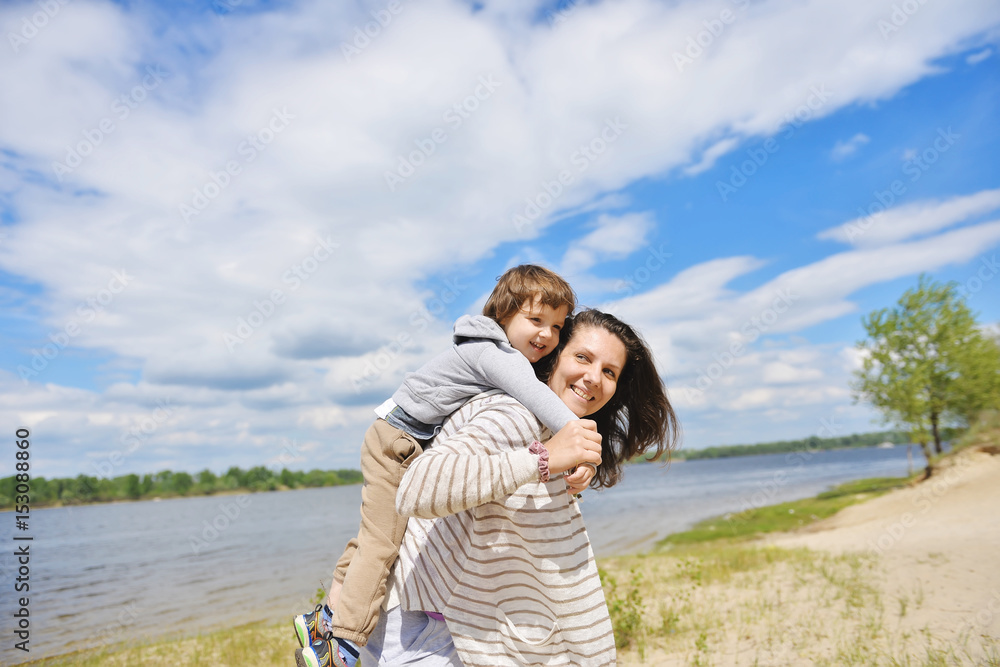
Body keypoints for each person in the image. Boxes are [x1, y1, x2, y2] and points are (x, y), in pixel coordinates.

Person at [294, 265, 603, 667]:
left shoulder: (484, 349)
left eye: (558, 327)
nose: (546, 335)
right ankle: (343, 645)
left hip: (398, 438)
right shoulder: (497, 356)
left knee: (378, 532)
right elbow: (537, 397)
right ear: (503, 315)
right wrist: (578, 443)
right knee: (382, 542)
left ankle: (323, 618)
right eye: (535, 320)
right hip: (396, 443)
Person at [363, 309, 679, 666]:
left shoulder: (550, 430)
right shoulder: (514, 414)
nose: (593, 378)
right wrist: (542, 459)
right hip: (424, 629)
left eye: (609, 372)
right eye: (582, 357)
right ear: (551, 357)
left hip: (449, 623)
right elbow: (417, 489)